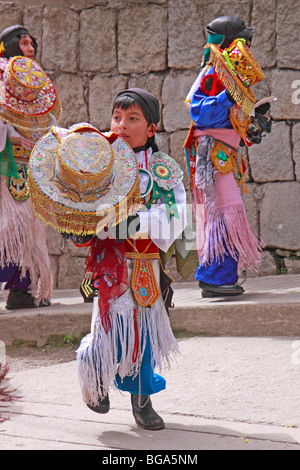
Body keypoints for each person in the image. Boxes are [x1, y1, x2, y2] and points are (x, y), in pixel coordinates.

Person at [74, 88, 187, 430]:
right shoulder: (98, 162)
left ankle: (142, 401)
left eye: (133, 118)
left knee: (144, 335)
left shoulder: (163, 170)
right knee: (106, 327)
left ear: (151, 129)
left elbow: (176, 216)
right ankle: (95, 381)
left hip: (145, 267)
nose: (122, 125)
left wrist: (132, 224)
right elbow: (79, 202)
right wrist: (79, 226)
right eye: (117, 117)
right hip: (110, 263)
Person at [184, 15, 271, 298]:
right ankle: (213, 277)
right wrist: (229, 98)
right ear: (230, 42)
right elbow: (199, 113)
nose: (248, 44)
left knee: (224, 211)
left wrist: (254, 124)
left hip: (225, 153)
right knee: (225, 210)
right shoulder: (212, 73)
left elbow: (233, 121)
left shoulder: (230, 75)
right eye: (243, 40)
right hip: (213, 154)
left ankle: (219, 277)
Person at [0, 25, 61, 309]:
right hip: (7, 164)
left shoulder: (38, 84)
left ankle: (22, 289)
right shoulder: (3, 77)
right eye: (24, 43)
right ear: (9, 46)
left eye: (32, 44)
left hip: (32, 164)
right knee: (10, 227)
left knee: (31, 231)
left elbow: (47, 122)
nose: (30, 49)